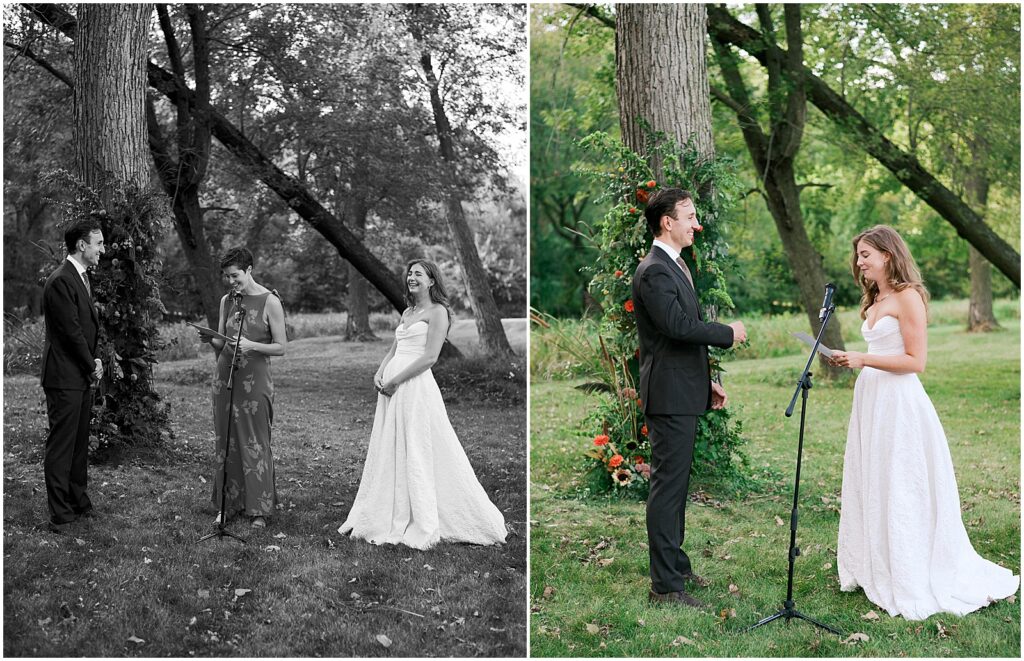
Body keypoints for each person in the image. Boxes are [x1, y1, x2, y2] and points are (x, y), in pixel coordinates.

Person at [830, 225, 1019, 620]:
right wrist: (852, 358)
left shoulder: (908, 297)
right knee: (876, 478)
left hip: (899, 402)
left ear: (887, 254)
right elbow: (880, 348)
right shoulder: (876, 297)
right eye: (859, 255)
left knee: (902, 481)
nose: (860, 262)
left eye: (866, 254)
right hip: (872, 399)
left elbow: (916, 362)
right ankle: (875, 561)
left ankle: (911, 566)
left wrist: (863, 358)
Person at [338, 259, 507, 550]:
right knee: (391, 444)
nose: (411, 277)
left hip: (414, 387)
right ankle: (389, 505)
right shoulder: (407, 311)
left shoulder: (438, 312)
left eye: (418, 274)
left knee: (417, 445)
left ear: (431, 281)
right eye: (410, 273)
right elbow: (395, 347)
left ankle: (425, 513)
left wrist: (396, 381)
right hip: (391, 387)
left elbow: (430, 357)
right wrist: (381, 371)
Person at [631, 188, 747, 608]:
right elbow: (679, 327)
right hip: (667, 395)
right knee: (667, 488)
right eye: (690, 216)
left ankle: (676, 566)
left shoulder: (675, 265)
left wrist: (706, 381)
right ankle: (665, 586)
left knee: (676, 487)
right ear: (668, 221)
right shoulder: (655, 270)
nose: (696, 224)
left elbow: (679, 338)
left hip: (683, 389)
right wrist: (727, 333)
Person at [199, 247, 287, 529]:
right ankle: (228, 505)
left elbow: (281, 347)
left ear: (249, 270)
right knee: (226, 441)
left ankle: (258, 510)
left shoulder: (269, 301)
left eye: (234, 275)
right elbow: (224, 342)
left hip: (255, 380)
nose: (230, 281)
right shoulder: (227, 300)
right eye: (226, 276)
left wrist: (251, 345)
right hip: (225, 378)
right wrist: (210, 339)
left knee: (254, 441)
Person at [40, 218, 105, 533]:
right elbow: (70, 332)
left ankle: (79, 501)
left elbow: (84, 328)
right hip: (63, 375)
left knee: (79, 444)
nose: (101, 250)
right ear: (82, 245)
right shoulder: (62, 280)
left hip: (79, 373)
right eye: (99, 243)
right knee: (63, 445)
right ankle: (60, 514)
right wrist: (92, 364)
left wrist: (94, 359)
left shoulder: (80, 277)